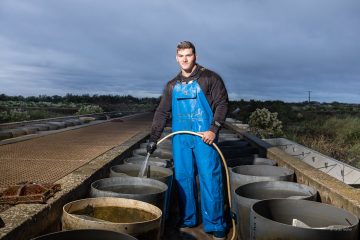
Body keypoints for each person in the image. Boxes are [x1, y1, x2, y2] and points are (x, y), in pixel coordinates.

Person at [147, 41, 229, 240]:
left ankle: (216, 223)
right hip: (180, 138)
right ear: (176, 58)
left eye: (188, 55)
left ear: (195, 56)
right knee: (183, 178)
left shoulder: (210, 78)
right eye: (181, 56)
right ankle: (188, 218)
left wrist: (213, 129)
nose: (185, 59)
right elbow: (161, 113)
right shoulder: (172, 86)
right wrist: (153, 138)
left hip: (204, 138)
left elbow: (222, 104)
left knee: (210, 177)